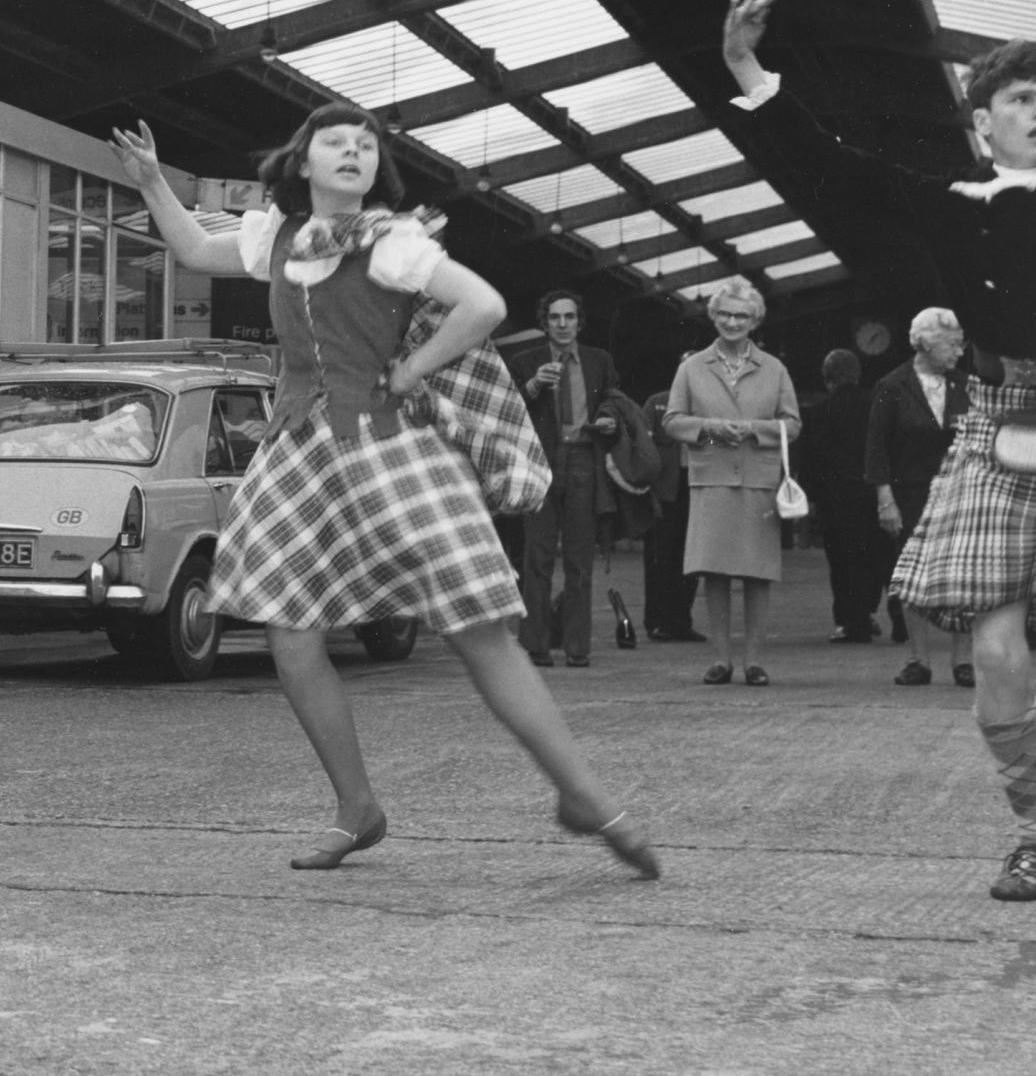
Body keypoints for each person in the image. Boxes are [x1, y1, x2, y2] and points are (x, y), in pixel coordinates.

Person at [722, 0, 1036, 901]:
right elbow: (831, 166)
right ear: (984, 122)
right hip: (996, 425)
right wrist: (746, 67)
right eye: (1023, 100)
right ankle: (1033, 827)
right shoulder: (954, 204)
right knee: (1001, 647)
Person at [113, 105, 658, 880]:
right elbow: (199, 247)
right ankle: (357, 807)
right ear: (302, 162)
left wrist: (411, 369)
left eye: (366, 146)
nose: (353, 152)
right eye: (336, 142)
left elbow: (485, 306)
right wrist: (151, 181)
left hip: (387, 443)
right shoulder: (279, 238)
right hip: (297, 450)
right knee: (289, 628)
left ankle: (585, 793)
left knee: (479, 626)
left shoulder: (391, 240)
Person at [662, 277, 800, 688]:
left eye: (741, 315)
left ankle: (754, 662)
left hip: (758, 481)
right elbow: (671, 420)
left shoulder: (774, 368)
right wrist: (711, 428)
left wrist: (755, 430)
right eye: (724, 314)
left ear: (755, 320)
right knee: (715, 572)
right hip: (712, 480)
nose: (732, 322)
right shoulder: (690, 367)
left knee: (757, 574)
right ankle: (721, 660)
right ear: (713, 317)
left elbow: (792, 423)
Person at [504, 289, 621, 669]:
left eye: (569, 317)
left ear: (579, 321)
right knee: (536, 556)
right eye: (555, 317)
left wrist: (609, 419)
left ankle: (577, 647)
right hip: (542, 462)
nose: (563, 324)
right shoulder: (525, 362)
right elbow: (507, 411)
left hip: (584, 458)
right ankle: (535, 645)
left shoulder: (598, 361)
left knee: (579, 560)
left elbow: (613, 400)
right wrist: (535, 384)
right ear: (545, 323)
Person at [866, 308, 974, 687]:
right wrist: (885, 500)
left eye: (960, 344)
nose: (959, 352)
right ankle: (918, 661)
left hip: (960, 493)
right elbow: (876, 448)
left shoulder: (967, 385)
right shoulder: (891, 386)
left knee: (964, 574)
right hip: (909, 494)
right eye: (952, 344)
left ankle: (964, 661)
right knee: (913, 576)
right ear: (925, 343)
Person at [796, 349, 885, 645]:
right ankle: (874, 612)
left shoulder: (819, 412)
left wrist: (808, 495)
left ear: (827, 379)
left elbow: (809, 458)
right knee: (874, 555)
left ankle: (851, 621)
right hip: (873, 492)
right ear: (857, 374)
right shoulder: (875, 406)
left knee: (843, 561)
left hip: (835, 498)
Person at [640, 386, 705, 642]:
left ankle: (681, 621)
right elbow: (644, 446)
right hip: (664, 490)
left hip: (696, 486)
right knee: (660, 558)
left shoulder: (708, 405)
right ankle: (656, 621)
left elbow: (714, 441)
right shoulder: (657, 402)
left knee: (692, 557)